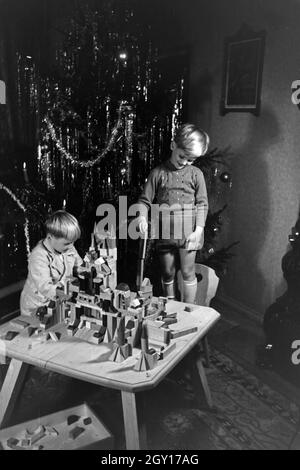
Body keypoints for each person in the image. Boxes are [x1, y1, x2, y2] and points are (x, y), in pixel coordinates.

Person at [137, 123, 209, 303]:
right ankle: (170, 304)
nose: (184, 162)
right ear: (173, 145)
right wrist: (141, 217)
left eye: (191, 160)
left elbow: (202, 204)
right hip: (165, 233)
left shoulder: (196, 174)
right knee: (167, 271)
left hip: (189, 234)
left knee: (187, 271)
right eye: (182, 156)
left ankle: (189, 307)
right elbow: (144, 201)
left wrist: (198, 231)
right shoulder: (158, 173)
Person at [20, 210, 83, 316]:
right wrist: (68, 294)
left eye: (73, 242)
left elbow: (80, 267)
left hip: (60, 302)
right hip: (38, 307)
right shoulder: (38, 256)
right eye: (67, 243)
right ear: (50, 238)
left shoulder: (68, 247)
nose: (71, 246)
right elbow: (45, 287)